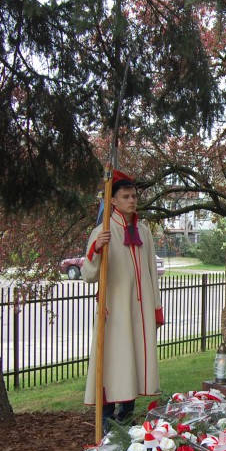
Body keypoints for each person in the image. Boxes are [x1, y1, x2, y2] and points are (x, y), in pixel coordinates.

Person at [82, 170, 164, 433]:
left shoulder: (144, 232)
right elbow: (88, 275)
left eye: (134, 196)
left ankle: (127, 417)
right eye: (125, 196)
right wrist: (96, 250)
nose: (132, 200)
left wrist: (156, 309)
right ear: (113, 201)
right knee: (114, 362)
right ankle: (106, 420)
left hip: (139, 311)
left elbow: (151, 272)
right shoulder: (102, 231)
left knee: (134, 361)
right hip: (115, 311)